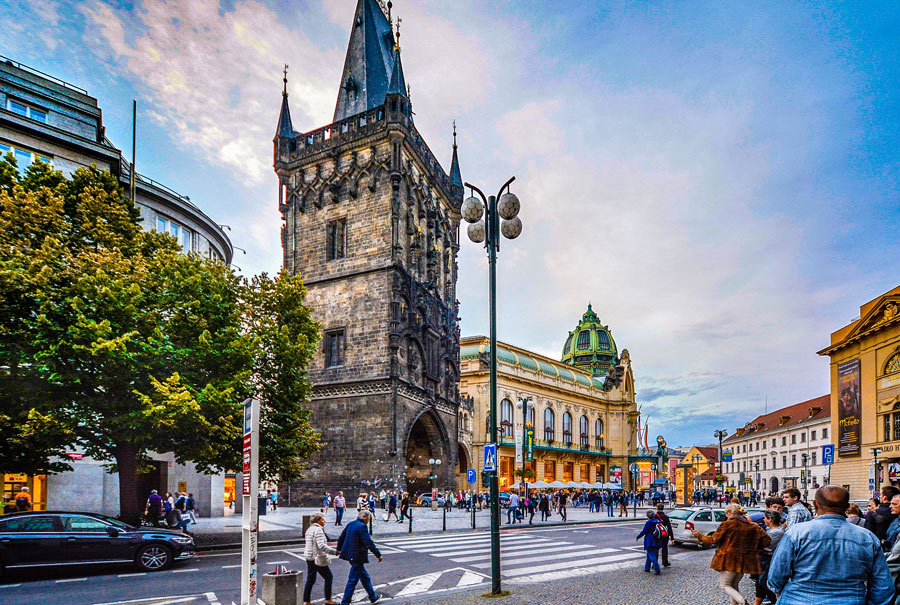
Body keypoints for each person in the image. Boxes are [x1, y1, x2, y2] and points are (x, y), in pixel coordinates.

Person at [768, 485, 894, 605]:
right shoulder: (867, 537)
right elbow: (883, 585)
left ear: (815, 504)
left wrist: (781, 593)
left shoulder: (796, 533)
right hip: (851, 600)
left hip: (799, 599)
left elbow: (776, 575)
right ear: (846, 507)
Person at [691, 503, 771, 605]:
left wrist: (699, 535)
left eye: (726, 513)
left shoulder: (727, 525)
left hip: (728, 560)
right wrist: (752, 547)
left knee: (725, 585)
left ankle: (742, 601)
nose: (726, 515)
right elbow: (767, 541)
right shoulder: (753, 526)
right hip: (743, 562)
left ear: (731, 513)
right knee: (734, 585)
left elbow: (712, 540)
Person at [336, 510, 383, 604]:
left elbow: (342, 537)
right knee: (353, 580)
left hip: (350, 555)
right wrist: (378, 554)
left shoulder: (351, 524)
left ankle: (373, 596)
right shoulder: (362, 526)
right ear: (366, 518)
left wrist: (338, 549)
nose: (369, 520)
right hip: (357, 555)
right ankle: (345, 602)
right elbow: (368, 542)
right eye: (369, 518)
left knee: (365, 577)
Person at [303, 511, 338, 605]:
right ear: (318, 520)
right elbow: (321, 546)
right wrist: (335, 552)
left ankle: (306, 601)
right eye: (323, 519)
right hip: (317, 557)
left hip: (309, 556)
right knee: (328, 577)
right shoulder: (318, 530)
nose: (324, 521)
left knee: (311, 579)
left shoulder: (309, 529)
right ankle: (328, 600)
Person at [752, 510, 784, 605]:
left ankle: (777, 602)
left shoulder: (777, 532)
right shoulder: (772, 530)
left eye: (765, 518)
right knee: (760, 583)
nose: (763, 519)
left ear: (770, 519)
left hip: (768, 560)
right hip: (765, 560)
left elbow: (765, 546)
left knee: (765, 583)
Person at [635, 509, 663, 575]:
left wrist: (638, 537)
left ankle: (657, 569)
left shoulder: (648, 523)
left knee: (652, 555)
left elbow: (644, 531)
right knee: (649, 554)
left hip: (650, 540)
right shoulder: (658, 521)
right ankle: (647, 567)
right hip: (657, 540)